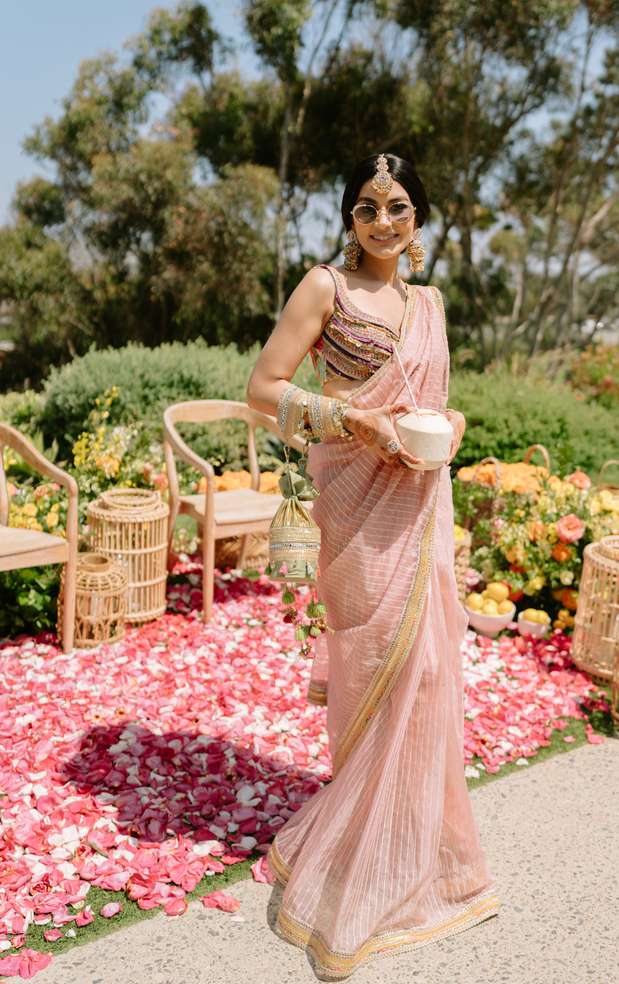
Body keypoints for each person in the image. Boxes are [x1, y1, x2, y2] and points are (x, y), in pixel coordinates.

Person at [247, 153, 498, 979]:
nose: (383, 222)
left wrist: (448, 426)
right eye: (367, 208)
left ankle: (414, 849)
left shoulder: (427, 304)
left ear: (419, 220)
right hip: (354, 507)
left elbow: (436, 400)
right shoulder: (324, 287)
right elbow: (264, 389)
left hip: (418, 505)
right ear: (348, 218)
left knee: (425, 677)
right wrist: (356, 424)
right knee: (368, 670)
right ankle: (357, 848)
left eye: (398, 208)